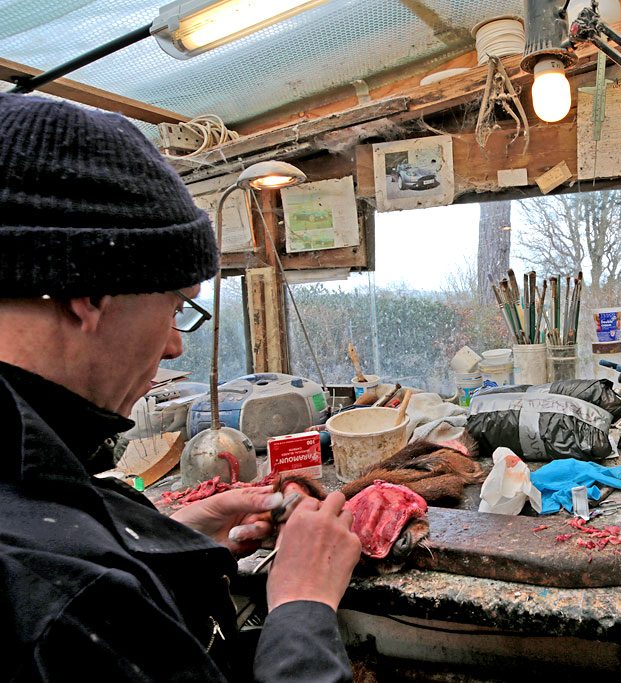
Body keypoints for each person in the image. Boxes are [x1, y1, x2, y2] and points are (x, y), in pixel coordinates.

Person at [0, 93, 362, 682]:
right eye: (175, 306)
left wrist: (167, 543)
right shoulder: (61, 593)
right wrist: (302, 606)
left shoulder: (33, 476)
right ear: (89, 293)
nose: (173, 345)